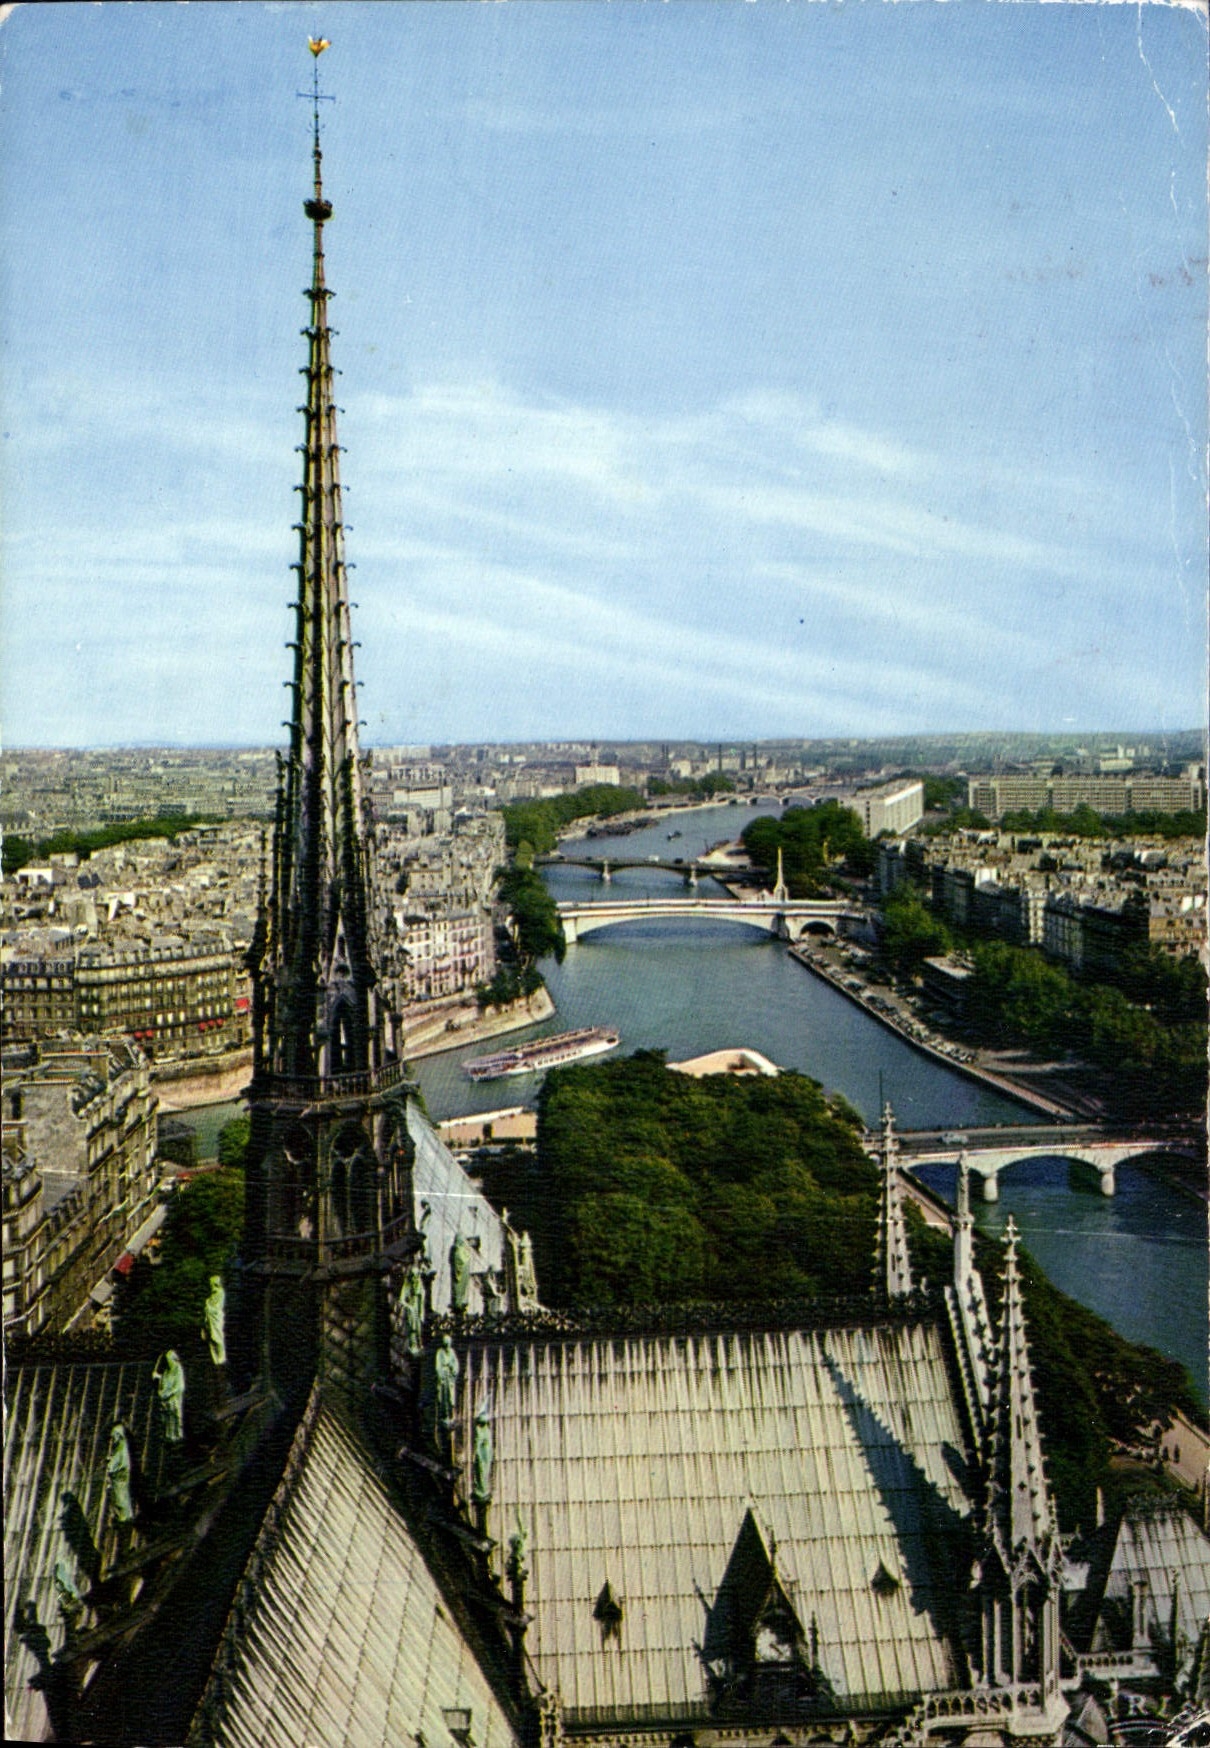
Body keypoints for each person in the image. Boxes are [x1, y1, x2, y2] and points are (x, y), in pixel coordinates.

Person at [153, 1349, 186, 1444]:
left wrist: (169, 1393)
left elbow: (179, 1386)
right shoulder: (167, 1371)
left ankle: (177, 1436)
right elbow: (163, 1382)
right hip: (166, 1400)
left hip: (173, 1398)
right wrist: (157, 1377)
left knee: (175, 1417)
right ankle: (168, 1435)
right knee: (167, 1417)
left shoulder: (177, 1369)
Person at [107, 1424, 134, 1524]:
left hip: (120, 1474)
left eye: (114, 1435)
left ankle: (123, 1518)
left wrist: (109, 1464)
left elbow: (116, 1459)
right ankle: (125, 1516)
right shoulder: (123, 1445)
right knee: (122, 1495)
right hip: (123, 1473)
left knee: (119, 1497)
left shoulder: (121, 1445)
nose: (113, 1438)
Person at [434, 1333, 459, 1429]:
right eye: (446, 1342)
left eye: (448, 1342)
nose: (447, 1344)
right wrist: (441, 1376)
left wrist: (453, 1369)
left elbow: (455, 1364)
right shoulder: (440, 1352)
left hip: (450, 1378)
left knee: (450, 1398)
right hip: (443, 1379)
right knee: (443, 1398)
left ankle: (451, 1416)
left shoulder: (452, 1352)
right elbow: (438, 1366)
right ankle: (445, 1417)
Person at [202, 1275, 226, 1368]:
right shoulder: (212, 1295)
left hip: (216, 1318)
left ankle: (221, 1358)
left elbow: (217, 1307)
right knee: (211, 1339)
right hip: (210, 1319)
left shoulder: (219, 1292)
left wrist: (208, 1306)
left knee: (217, 1337)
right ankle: (215, 1360)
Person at [450, 1232, 472, 1316]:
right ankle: (458, 1303)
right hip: (459, 1277)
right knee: (458, 1291)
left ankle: (459, 1302)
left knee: (459, 1291)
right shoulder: (458, 1250)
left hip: (460, 1277)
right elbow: (461, 1261)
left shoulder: (456, 1250)